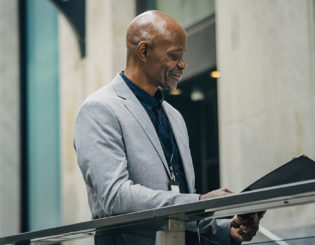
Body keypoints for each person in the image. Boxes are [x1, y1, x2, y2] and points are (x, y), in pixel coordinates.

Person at [74, 10, 262, 245]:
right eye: (174, 55)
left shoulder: (175, 117)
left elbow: (177, 206)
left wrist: (225, 230)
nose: (183, 64)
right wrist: (202, 200)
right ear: (144, 51)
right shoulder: (99, 109)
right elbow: (115, 196)